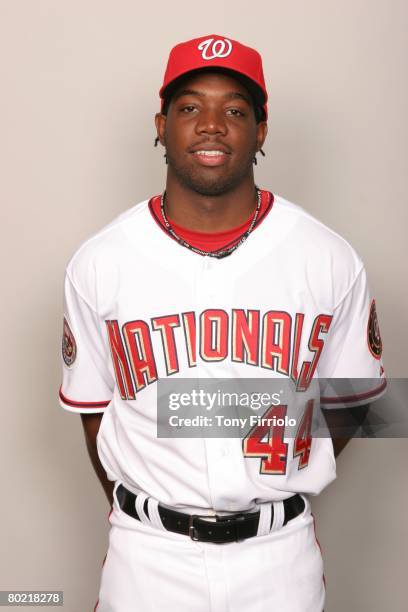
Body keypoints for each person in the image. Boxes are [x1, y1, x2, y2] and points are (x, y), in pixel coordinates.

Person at [59, 34, 386, 612]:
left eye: (235, 110)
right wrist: (146, 507)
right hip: (147, 558)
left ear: (260, 131)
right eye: (190, 108)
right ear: (161, 125)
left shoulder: (328, 257)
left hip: (277, 558)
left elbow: (355, 400)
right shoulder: (100, 260)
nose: (211, 124)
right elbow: (93, 410)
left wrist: (284, 463)